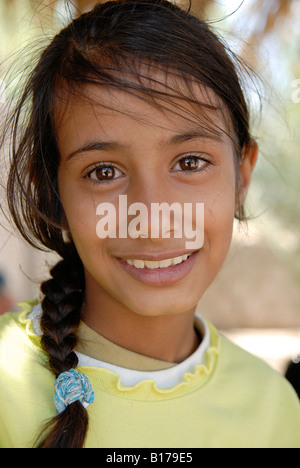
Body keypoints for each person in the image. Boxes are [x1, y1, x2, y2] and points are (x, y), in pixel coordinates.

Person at [0, 0, 299, 449]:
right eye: (104, 172)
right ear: (53, 193)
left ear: (242, 176)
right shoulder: (7, 389)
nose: (153, 219)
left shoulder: (275, 407)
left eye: (190, 162)